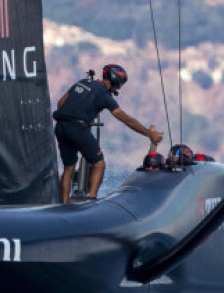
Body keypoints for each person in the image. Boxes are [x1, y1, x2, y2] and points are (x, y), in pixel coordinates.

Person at [53, 64, 164, 203]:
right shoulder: (104, 95)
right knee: (99, 163)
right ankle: (91, 200)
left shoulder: (83, 82)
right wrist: (149, 134)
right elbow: (126, 119)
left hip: (60, 127)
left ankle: (64, 205)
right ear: (116, 82)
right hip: (78, 128)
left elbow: (60, 103)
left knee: (69, 168)